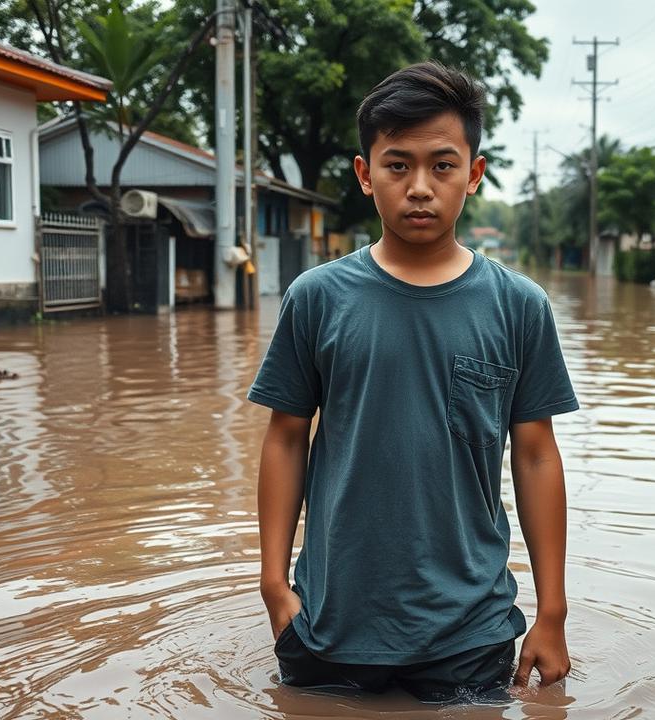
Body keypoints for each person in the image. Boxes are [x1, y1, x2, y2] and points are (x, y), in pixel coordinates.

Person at [248, 61, 579, 704]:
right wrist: (272, 584)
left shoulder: (519, 306)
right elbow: (285, 437)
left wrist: (552, 614)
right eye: (398, 165)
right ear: (365, 174)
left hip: (469, 630)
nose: (420, 187)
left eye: (443, 165)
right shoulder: (317, 298)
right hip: (328, 622)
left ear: (474, 175)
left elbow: (537, 455)